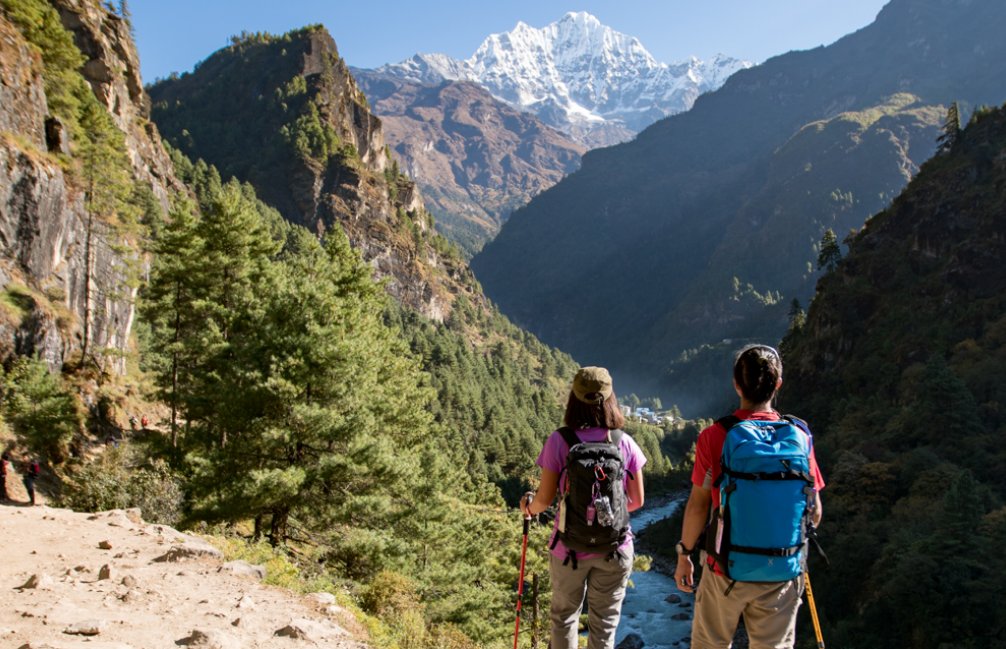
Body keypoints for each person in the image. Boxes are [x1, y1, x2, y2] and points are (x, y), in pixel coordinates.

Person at [674, 344, 825, 649]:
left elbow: (698, 507)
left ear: (736, 383)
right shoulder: (799, 436)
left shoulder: (715, 436)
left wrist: (684, 554)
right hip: (783, 571)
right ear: (778, 384)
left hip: (725, 570)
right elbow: (815, 511)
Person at [521, 366, 647, 649]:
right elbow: (637, 500)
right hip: (614, 549)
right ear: (610, 397)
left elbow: (544, 499)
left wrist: (530, 507)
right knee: (604, 625)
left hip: (569, 549)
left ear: (574, 398)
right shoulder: (623, 442)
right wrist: (605, 513)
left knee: (564, 619)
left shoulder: (560, 441)